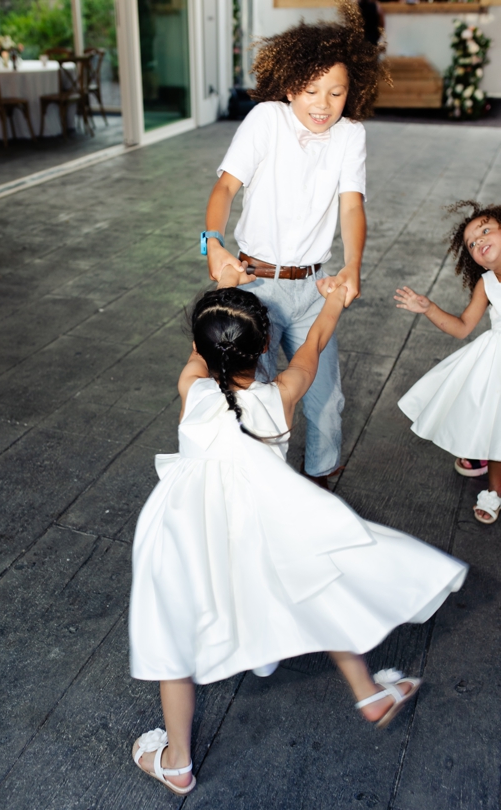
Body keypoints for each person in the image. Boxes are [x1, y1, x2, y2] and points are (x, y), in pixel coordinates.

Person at [128, 274, 468, 795]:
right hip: (263, 529)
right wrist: (333, 299)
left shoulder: (191, 388)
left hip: (189, 531)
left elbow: (203, 352)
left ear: (197, 346)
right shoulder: (283, 393)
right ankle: (368, 693)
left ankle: (176, 761)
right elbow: (314, 343)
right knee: (316, 584)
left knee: (173, 631)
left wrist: (218, 305)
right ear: (265, 346)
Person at [202, 0, 382, 489]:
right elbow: (224, 190)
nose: (322, 104)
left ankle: (320, 483)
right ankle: (261, 486)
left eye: (336, 93)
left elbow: (351, 206)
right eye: (310, 90)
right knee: (252, 393)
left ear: (352, 93)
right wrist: (212, 243)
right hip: (254, 285)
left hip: (312, 288)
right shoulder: (266, 119)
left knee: (326, 396)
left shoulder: (351, 136)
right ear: (289, 86)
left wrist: (354, 266)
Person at [395, 201, 501, 523]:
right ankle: (495, 491)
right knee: (498, 429)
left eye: (485, 230)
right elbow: (462, 327)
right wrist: (428, 308)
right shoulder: (488, 284)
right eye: (471, 243)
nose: (478, 240)